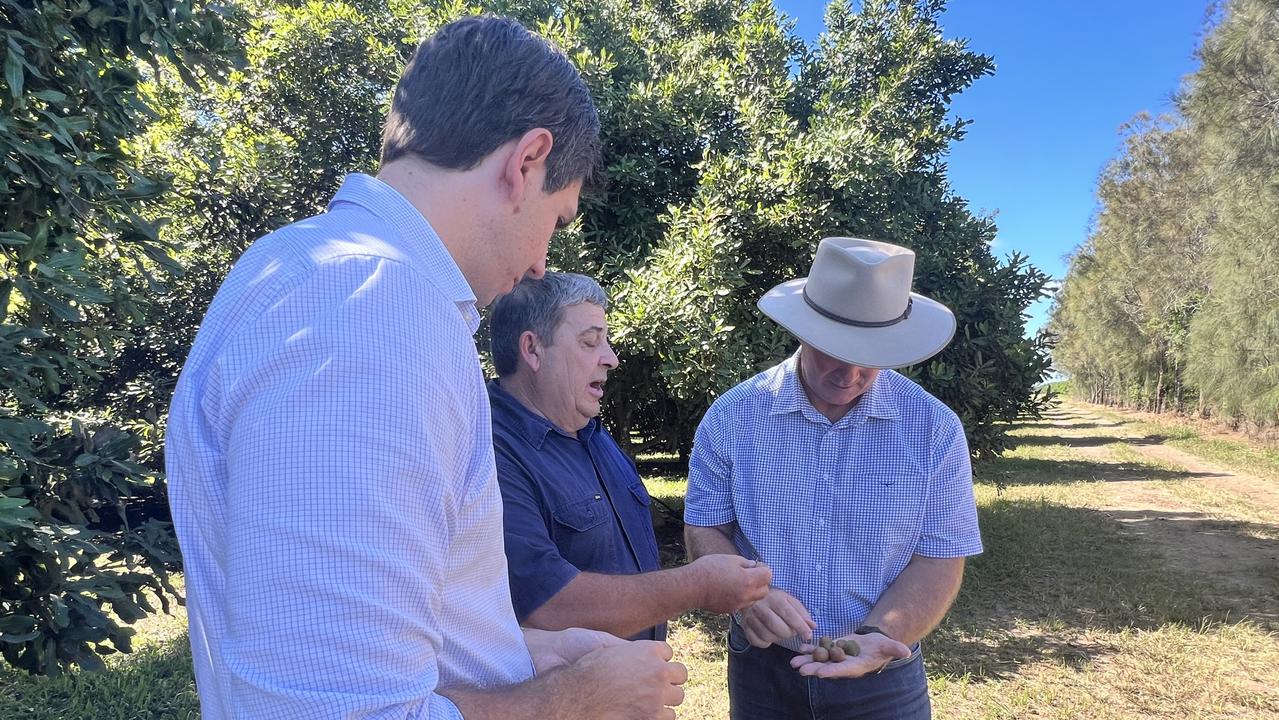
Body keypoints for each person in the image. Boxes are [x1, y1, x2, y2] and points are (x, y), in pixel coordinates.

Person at [165, 15, 686, 720]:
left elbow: (361, 649)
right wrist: (572, 699)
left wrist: (519, 653)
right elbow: (331, 711)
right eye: (556, 221)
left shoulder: (307, 271)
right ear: (527, 159)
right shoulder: (371, 308)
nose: (540, 264)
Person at [683, 237, 984, 720]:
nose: (851, 372)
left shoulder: (933, 428)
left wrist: (880, 636)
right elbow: (705, 527)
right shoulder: (733, 417)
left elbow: (940, 556)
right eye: (833, 350)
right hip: (763, 666)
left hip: (885, 671)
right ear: (804, 331)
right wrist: (747, 598)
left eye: (872, 354)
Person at [486, 272, 772, 641]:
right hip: (562, 697)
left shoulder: (589, 431)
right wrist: (695, 585)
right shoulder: (493, 451)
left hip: (635, 687)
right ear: (532, 350)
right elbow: (548, 606)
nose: (612, 359)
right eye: (590, 342)